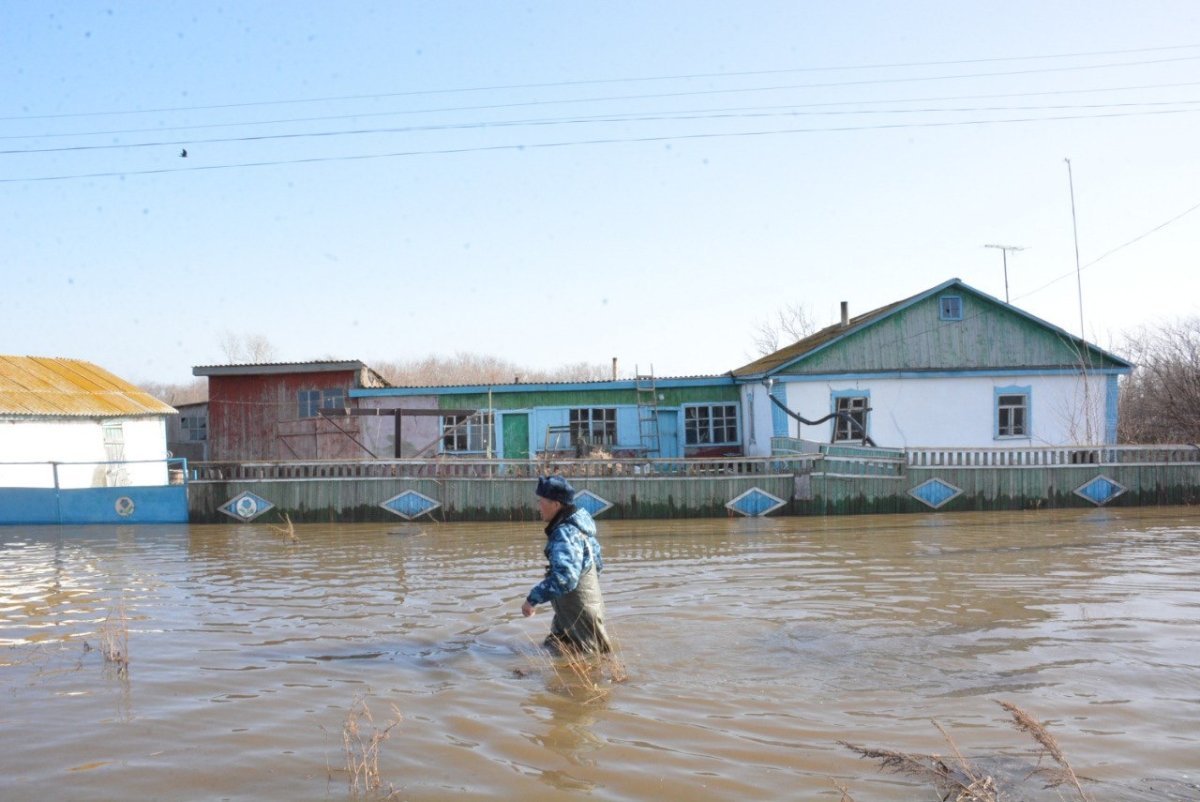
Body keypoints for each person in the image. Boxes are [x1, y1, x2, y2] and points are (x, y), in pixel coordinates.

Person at [521, 475, 611, 654]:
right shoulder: (580, 527)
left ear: (556, 504)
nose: (539, 506)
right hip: (583, 609)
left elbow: (566, 578)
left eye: (542, 501)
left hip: (580, 615)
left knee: (590, 661)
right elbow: (597, 566)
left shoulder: (565, 532)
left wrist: (532, 599)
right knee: (552, 650)